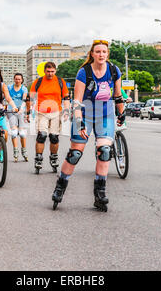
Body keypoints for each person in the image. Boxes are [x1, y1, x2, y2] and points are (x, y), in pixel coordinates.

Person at [51, 40, 125, 212]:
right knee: (75, 154)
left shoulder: (114, 71)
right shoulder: (84, 72)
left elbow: (118, 95)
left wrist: (121, 114)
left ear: (107, 54)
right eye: (97, 52)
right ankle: (60, 187)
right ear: (92, 53)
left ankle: (100, 193)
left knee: (104, 152)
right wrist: (79, 122)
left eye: (104, 52)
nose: (101, 55)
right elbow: (76, 101)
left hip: (105, 114)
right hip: (84, 113)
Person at [27, 62, 70, 173]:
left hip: (56, 113)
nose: (50, 74)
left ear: (55, 71)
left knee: (54, 137)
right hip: (41, 113)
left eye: (52, 72)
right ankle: (38, 159)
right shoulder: (38, 82)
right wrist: (28, 111)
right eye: (48, 71)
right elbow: (30, 98)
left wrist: (66, 111)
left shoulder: (60, 81)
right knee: (42, 136)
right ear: (45, 71)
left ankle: (54, 157)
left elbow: (66, 97)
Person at [7, 73, 29, 162]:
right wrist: (11, 107)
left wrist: (22, 109)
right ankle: (15, 151)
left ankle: (24, 151)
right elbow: (7, 98)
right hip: (11, 110)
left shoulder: (24, 89)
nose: (17, 81)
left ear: (22, 80)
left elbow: (24, 100)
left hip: (21, 111)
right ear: (14, 79)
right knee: (14, 132)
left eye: (19, 79)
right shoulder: (9, 88)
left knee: (22, 133)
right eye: (16, 79)